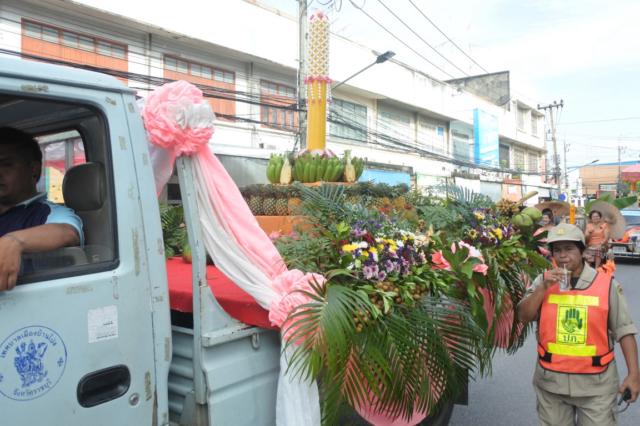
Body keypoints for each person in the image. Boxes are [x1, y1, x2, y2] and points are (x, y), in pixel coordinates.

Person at [517, 223, 639, 425]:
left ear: (582, 252)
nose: (563, 255)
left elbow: (625, 331)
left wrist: (634, 375)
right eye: (557, 250)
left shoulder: (607, 285)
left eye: (569, 249)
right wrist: (543, 288)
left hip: (597, 386)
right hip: (551, 383)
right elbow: (523, 315)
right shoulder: (543, 281)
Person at [0, 127, 83, 292]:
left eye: (6, 164)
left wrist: (14, 242)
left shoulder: (46, 213)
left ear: (34, 169)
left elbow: (68, 233)